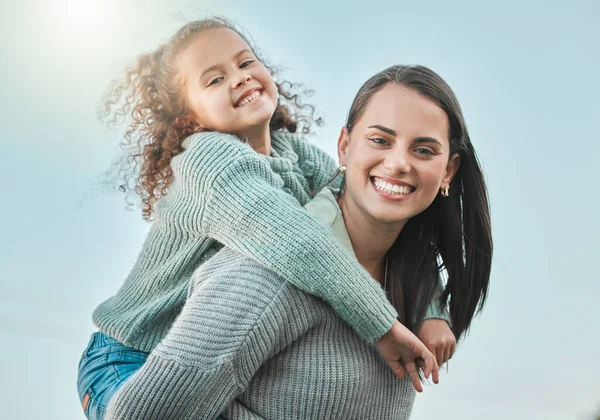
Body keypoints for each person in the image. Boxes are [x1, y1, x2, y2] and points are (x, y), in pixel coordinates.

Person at [77, 18, 454, 420]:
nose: (239, 79)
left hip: (207, 357)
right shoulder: (210, 163)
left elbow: (366, 211)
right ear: (188, 116)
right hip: (129, 358)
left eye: (244, 63)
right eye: (215, 80)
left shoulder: (294, 153)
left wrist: (433, 309)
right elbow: (299, 240)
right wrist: (382, 324)